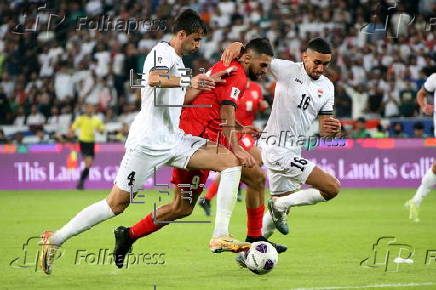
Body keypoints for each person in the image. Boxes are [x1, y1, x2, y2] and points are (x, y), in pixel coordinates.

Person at [39, 10, 248, 275]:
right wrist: (190, 80)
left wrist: (204, 84)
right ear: (181, 34)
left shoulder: (179, 62)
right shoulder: (161, 52)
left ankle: (220, 235)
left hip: (174, 139)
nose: (197, 46)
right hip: (147, 143)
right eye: (194, 40)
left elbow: (176, 99)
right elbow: (153, 79)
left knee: (230, 162)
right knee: (116, 204)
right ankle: (55, 239)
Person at [112, 38, 286, 270]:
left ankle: (129, 234)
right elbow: (225, 110)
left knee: (188, 205)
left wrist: (239, 129)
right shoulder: (238, 74)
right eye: (263, 65)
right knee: (238, 178)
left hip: (209, 137)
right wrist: (236, 147)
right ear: (247, 58)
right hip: (196, 139)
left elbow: (216, 106)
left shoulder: (233, 64)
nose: (265, 72)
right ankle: (232, 235)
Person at [221, 38, 342, 244]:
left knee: (284, 201)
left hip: (295, 149)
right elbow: (255, 57)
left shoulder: (327, 87)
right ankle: (277, 208)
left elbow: (324, 129)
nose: (321, 68)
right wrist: (238, 45)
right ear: (305, 57)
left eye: (326, 64)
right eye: (317, 62)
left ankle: (253, 248)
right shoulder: (286, 69)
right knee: (331, 188)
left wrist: (334, 129)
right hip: (275, 147)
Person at [198, 80, 268, 215]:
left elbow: (257, 105)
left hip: (247, 131)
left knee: (245, 165)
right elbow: (226, 111)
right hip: (233, 133)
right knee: (255, 162)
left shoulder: (256, 88)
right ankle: (234, 191)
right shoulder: (232, 88)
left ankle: (208, 198)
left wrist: (261, 106)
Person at [404, 72, 436, 222]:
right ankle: (416, 200)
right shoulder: (434, 78)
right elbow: (421, 94)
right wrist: (424, 106)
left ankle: (415, 200)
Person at [70, 104, 105, 190]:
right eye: (88, 108)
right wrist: (71, 134)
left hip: (91, 143)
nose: (90, 110)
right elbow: (73, 127)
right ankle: (80, 183)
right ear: (86, 109)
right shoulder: (81, 119)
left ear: (93, 109)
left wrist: (100, 130)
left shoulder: (96, 120)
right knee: (88, 163)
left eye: (91, 108)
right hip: (83, 142)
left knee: (89, 165)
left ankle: (80, 183)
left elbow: (102, 130)